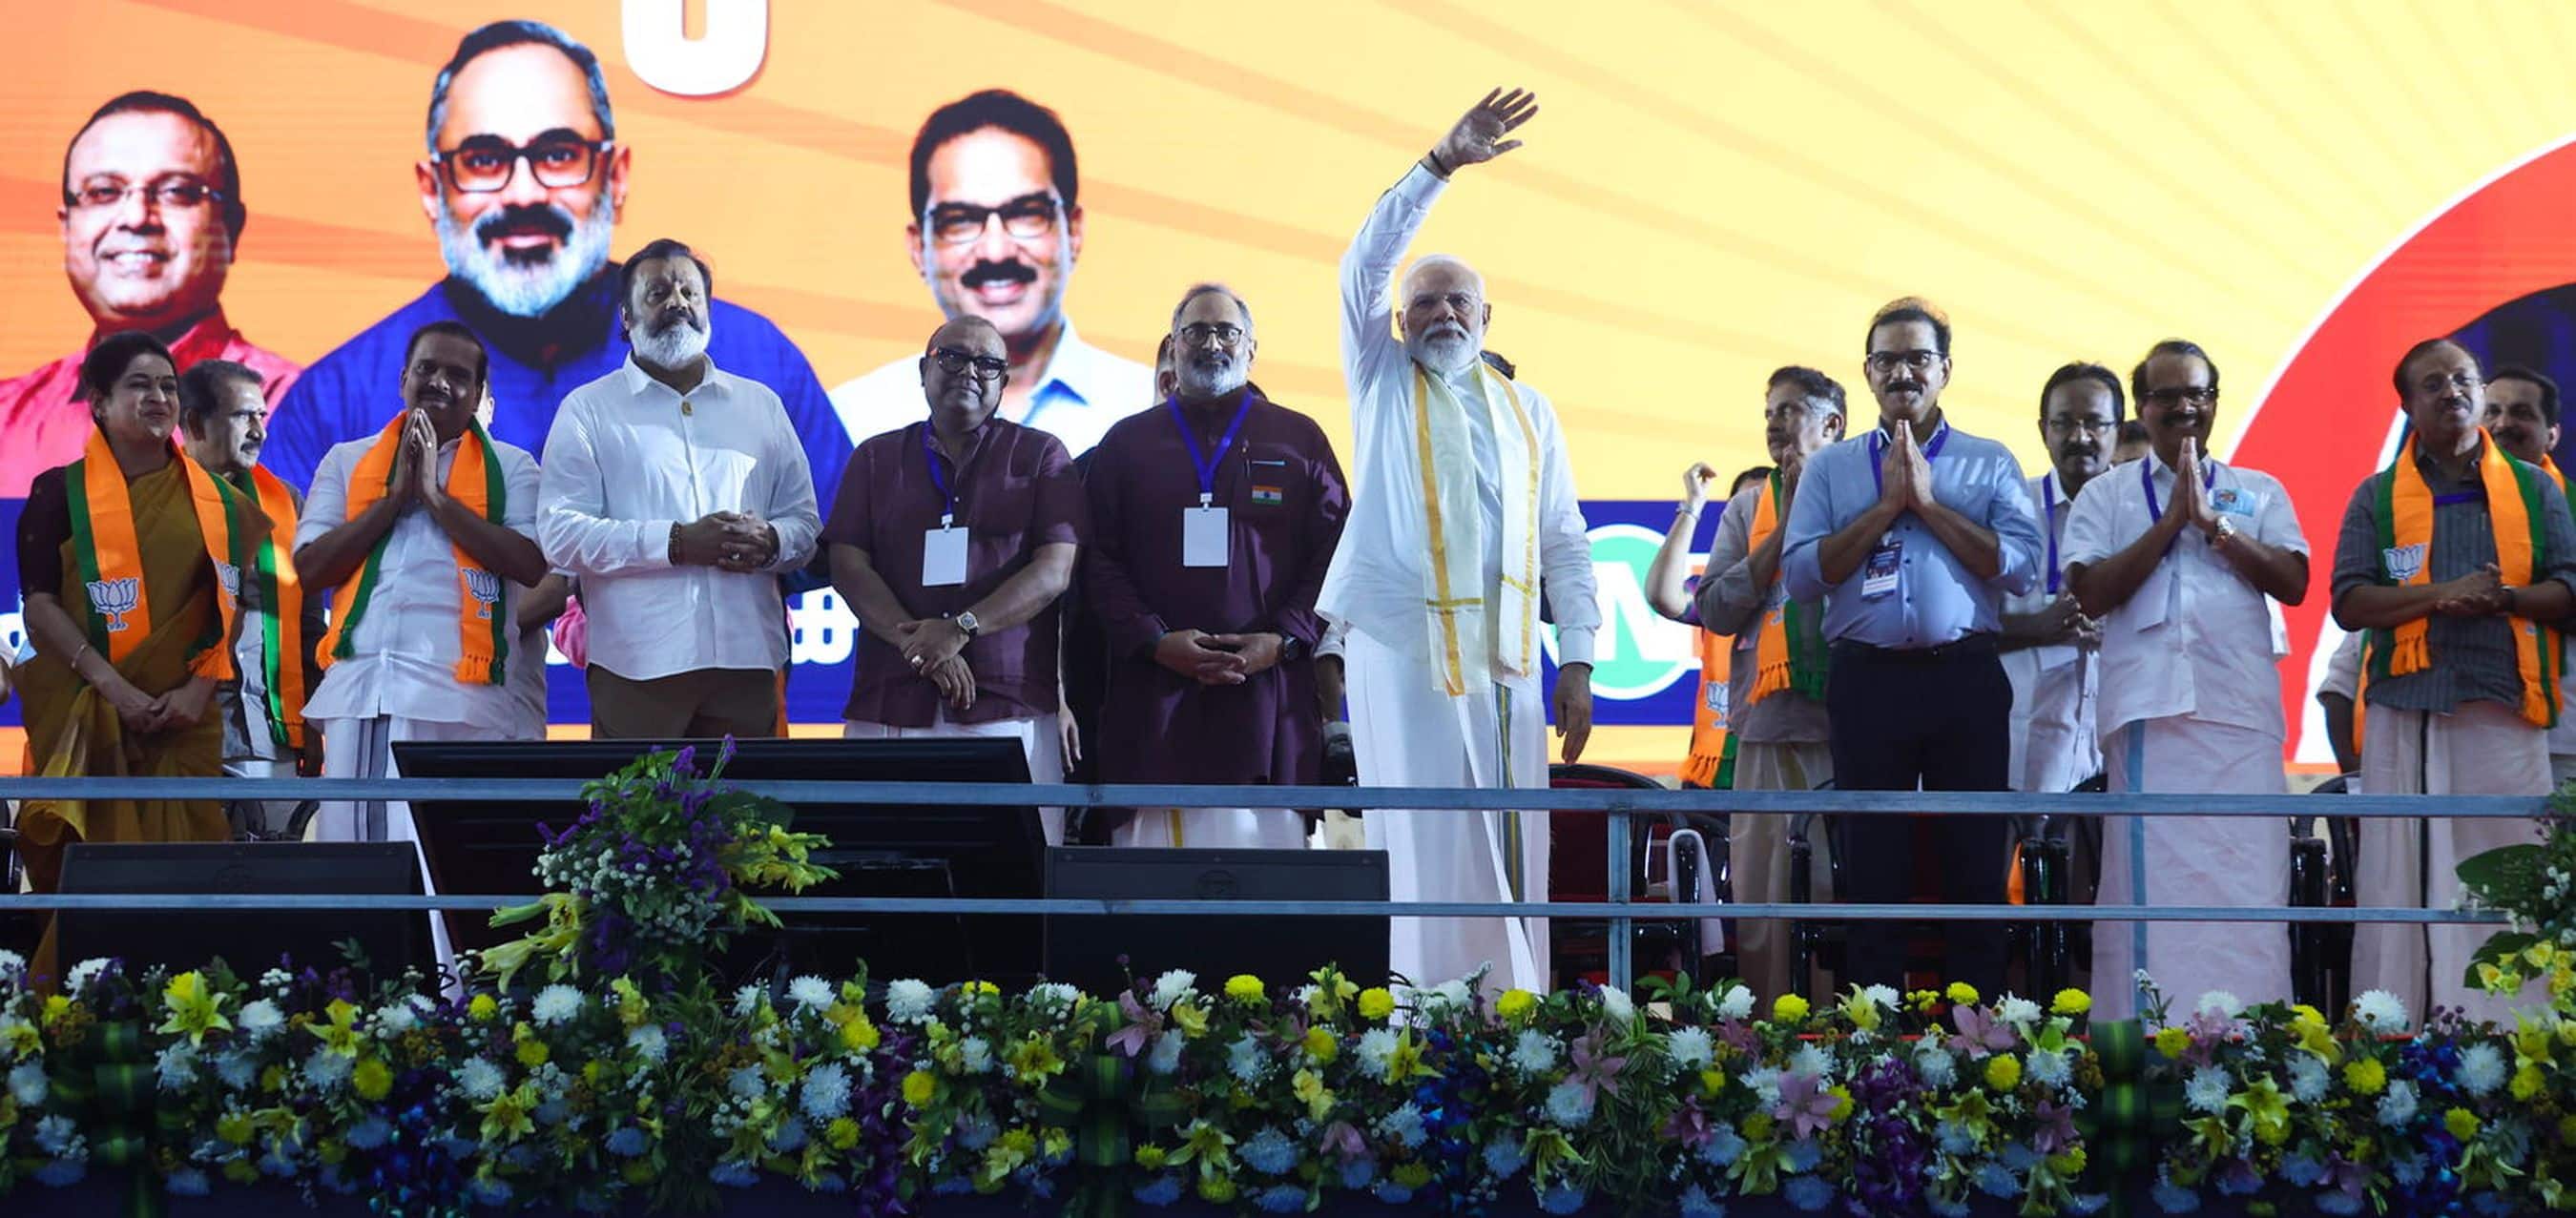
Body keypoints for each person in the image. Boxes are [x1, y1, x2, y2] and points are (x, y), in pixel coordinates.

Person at [263, 20, 846, 511]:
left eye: (558, 154)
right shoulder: (335, 399)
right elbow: (279, 584)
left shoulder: (754, 357)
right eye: (484, 159)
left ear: (615, 177)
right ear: (432, 188)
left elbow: (839, 551)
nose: (522, 195)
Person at [1319, 91, 1600, 993]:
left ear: (1488, 320)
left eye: (1459, 303)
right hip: (1403, 652)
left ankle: (1512, 1021)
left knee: (1514, 843)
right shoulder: (1379, 381)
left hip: (1510, 663)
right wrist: (1439, 164)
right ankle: (1416, 1023)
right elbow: (1362, 266)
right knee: (1422, 844)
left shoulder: (1532, 411)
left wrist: (1582, 661)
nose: (1442, 313)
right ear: (1399, 322)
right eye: (1424, 302)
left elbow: (1565, 537)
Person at [1780, 297, 2043, 997]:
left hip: (1964, 680)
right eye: (1887, 359)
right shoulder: (1831, 470)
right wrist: (1883, 509)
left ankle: (1980, 1034)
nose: (1903, 372)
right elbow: (1803, 575)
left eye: (1917, 358)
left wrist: (1928, 506)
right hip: (1868, 684)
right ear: (1867, 373)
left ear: (1945, 370)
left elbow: (2020, 566)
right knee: (1872, 866)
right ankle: (1875, 1042)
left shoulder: (1989, 463)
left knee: (1973, 863)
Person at [2061, 341, 2312, 1020]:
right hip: (2151, 719)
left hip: (2238, 716)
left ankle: (2252, 1043)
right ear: (2142, 408)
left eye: (2195, 394)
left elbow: (2294, 581)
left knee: (2249, 889)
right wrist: (2171, 523)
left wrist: (2215, 526)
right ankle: (2148, 1044)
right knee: (2152, 900)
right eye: (2165, 396)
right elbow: (2089, 591)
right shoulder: (2108, 495)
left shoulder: (2259, 490)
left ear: (2213, 402)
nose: (2182, 407)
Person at [2335, 339, 2576, 1021]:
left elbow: (2569, 591)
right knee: (2400, 881)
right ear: (2409, 406)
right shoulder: (2377, 495)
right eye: (2433, 383)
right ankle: (2396, 1034)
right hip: (2405, 711)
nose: (2452, 391)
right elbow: (2349, 599)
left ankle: (2510, 1041)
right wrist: (2441, 595)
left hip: (2503, 711)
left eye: (2462, 378)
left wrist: (2504, 600)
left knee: (2506, 881)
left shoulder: (2533, 489)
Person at [1082, 286, 1348, 847]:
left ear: (1251, 348)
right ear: (1172, 347)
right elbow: (1097, 559)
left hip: (1268, 702)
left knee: (1266, 898)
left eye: (1227, 332)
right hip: (1155, 704)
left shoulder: (1299, 439)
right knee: (1151, 905)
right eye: (1195, 331)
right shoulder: (1126, 444)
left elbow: (1335, 554)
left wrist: (1282, 640)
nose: (1211, 343)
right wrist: (1154, 641)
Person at [536, 239, 819, 737]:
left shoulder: (760, 405)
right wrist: (675, 543)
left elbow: (805, 525)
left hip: (747, 661)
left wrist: (771, 541)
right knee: (635, 816)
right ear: (626, 317)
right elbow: (560, 534)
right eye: (659, 292)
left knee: (749, 814)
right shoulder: (589, 410)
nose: (678, 303)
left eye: (691, 292)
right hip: (636, 667)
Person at [825, 317, 1085, 842]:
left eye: (987, 364)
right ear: (924, 370)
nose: (970, 371)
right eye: (952, 357)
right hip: (892, 701)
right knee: (887, 875)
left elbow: (1054, 570)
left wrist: (960, 627)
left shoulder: (1040, 456)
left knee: (1013, 883)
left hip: (1004, 704)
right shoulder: (875, 458)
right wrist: (920, 643)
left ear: (1003, 382)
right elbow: (848, 564)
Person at [13, 331, 253, 894]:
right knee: (85, 882)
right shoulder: (59, 492)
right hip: (87, 711)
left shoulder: (219, 500)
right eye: (140, 385)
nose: (159, 398)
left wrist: (197, 693)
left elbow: (232, 602)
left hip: (183, 720)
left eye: (168, 386)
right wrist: (114, 689)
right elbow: (40, 602)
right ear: (98, 402)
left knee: (190, 882)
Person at [296, 320, 545, 844]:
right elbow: (312, 569)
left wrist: (434, 497)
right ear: (404, 377)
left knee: (453, 868)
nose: (439, 382)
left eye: (458, 375)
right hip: (368, 692)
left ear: (478, 395)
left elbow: (529, 562)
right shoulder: (347, 460)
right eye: (427, 368)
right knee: (363, 869)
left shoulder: (512, 466)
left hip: (467, 699)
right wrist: (391, 502)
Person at [0, 93, 300, 497]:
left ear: (231, 227)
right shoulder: (7, 417)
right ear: (66, 227)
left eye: (177, 191)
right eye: (104, 192)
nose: (137, 218)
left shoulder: (297, 404)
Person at [830, 90, 1153, 454]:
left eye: (1026, 213)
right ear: (919, 246)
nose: (995, 251)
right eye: (961, 221)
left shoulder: (1150, 406)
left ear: (1073, 232)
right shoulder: (851, 420)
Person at [1690, 368, 1849, 1001]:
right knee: (1761, 902)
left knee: (1835, 895)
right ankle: (1766, 1039)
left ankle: (1843, 1040)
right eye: (1769, 413)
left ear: (1833, 425)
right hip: (1763, 733)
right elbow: (1717, 609)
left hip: (1843, 734)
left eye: (1790, 410)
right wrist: (1782, 531)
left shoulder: (1862, 496)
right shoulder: (1746, 507)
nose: (1774, 423)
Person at [177, 359, 323, 836]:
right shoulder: (154, 501)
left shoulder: (287, 502)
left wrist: (315, 722)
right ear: (195, 423)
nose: (259, 429)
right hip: (179, 735)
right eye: (244, 416)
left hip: (269, 734)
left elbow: (306, 624)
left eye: (263, 416)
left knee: (270, 888)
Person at [2003, 363, 2120, 796]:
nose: (2079, 436)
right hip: (2023, 743)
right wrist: (2036, 627)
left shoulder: (2147, 518)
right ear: (2042, 430)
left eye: (2094, 422)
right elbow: (1961, 628)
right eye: (2064, 423)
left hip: (2118, 736)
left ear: (2118, 431)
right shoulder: (2008, 509)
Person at [1645, 464, 1768, 791]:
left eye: (1764, 506)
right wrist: (1692, 506)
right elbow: (1662, 595)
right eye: (1741, 508)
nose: (1753, 517)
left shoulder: (1809, 586)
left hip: (1780, 752)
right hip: (1715, 772)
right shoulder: (1716, 595)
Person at [2483, 364, 2576, 784]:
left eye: (2521, 412)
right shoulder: (2427, 511)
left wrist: (2505, 598)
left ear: (2551, 433)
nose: (2503, 423)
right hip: (2476, 734)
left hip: (2567, 741)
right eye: (2492, 411)